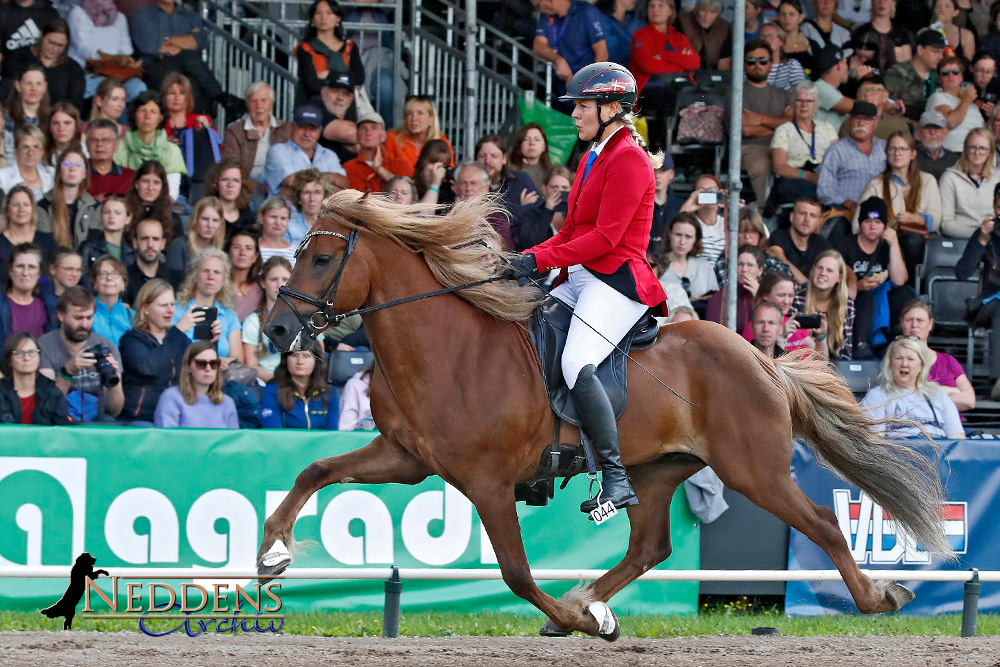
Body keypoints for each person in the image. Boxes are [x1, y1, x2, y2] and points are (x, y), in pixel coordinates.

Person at [502, 63, 666, 513]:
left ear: (612, 108)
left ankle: (615, 477)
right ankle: (538, 460)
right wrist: (523, 258)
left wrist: (537, 259)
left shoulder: (629, 158)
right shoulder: (594, 154)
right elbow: (572, 229)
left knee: (576, 360)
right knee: (530, 334)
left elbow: (605, 239)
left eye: (581, 106)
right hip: (581, 276)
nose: (573, 115)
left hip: (616, 280)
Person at [855, 131, 941, 280]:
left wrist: (917, 219)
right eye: (892, 149)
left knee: (911, 241)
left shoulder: (927, 181)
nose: (897, 153)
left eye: (902, 149)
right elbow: (856, 225)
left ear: (913, 154)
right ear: (886, 153)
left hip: (919, 245)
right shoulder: (876, 184)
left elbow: (937, 221)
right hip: (884, 245)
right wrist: (886, 229)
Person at [836, 197, 911, 357]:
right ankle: (861, 345)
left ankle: (893, 342)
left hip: (882, 297)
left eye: (878, 222)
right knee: (866, 297)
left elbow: (899, 280)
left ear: (884, 225)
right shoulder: (846, 244)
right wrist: (857, 285)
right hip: (855, 296)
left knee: (905, 293)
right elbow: (835, 273)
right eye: (868, 221)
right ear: (860, 223)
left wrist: (894, 243)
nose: (872, 226)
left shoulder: (887, 246)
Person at [37, 285, 123, 422]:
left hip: (97, 420)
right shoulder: (43, 346)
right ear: (61, 315)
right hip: (58, 420)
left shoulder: (107, 346)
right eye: (78, 318)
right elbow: (47, 406)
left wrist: (115, 381)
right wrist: (68, 371)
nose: (84, 324)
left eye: (89, 318)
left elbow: (114, 410)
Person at [128, 0, 227, 115]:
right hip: (156, 64)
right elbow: (150, 47)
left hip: (184, 65)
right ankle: (222, 98)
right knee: (187, 68)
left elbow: (201, 41)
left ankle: (194, 128)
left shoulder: (189, 15)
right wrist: (184, 44)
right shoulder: (142, 14)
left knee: (193, 84)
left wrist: (167, 40)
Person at [860, 337, 965, 439]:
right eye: (899, 358)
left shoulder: (938, 395)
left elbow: (957, 437)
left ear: (921, 365)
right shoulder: (877, 396)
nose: (904, 364)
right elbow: (875, 441)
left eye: (911, 359)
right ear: (890, 363)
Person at [118, 278, 190, 423]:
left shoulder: (180, 339)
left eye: (172, 304)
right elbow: (148, 367)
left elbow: (199, 370)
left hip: (177, 416)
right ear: (145, 309)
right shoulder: (131, 340)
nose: (170, 310)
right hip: (143, 418)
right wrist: (178, 332)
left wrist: (212, 342)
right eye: (163, 305)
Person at [769, 81, 839, 209]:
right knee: (818, 193)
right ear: (793, 105)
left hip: (824, 177)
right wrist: (808, 176)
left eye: (809, 101)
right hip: (795, 179)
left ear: (816, 105)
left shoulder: (828, 128)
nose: (804, 105)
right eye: (799, 101)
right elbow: (779, 167)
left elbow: (838, 160)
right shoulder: (784, 130)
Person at [957, 183, 1000, 390]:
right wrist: (982, 239)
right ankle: (997, 381)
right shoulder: (986, 233)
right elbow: (962, 273)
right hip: (988, 303)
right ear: (994, 205)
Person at [741, 38, 793, 205]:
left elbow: (793, 125)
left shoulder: (783, 94)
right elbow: (745, 130)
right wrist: (780, 124)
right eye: (751, 61)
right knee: (763, 166)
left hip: (784, 145)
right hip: (751, 147)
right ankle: (766, 213)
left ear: (771, 64)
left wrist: (760, 120)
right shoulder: (736, 92)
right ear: (744, 65)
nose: (757, 65)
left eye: (763, 61)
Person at [899, 300, 976, 412]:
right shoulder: (896, 360)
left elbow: (969, 400)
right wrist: (945, 391)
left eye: (920, 320)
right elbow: (900, 399)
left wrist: (924, 398)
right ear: (902, 323)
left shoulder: (948, 361)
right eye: (909, 320)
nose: (914, 325)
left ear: (930, 324)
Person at [172, 247, 243, 367]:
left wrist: (218, 361)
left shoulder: (229, 316)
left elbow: (238, 359)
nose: (211, 277)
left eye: (217, 272)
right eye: (205, 271)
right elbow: (168, 352)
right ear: (195, 275)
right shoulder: (176, 310)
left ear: (223, 279)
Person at [67, 0, 146, 103]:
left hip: (117, 73)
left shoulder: (119, 17)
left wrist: (129, 61)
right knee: (111, 91)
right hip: (89, 72)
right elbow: (86, 50)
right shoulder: (78, 13)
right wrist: (114, 59)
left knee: (138, 88)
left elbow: (126, 49)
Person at [262, 104, 347, 198]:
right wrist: (333, 178)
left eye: (312, 129)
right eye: (302, 127)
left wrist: (300, 186)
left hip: (324, 212)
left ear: (319, 132)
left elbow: (343, 184)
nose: (307, 134)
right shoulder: (277, 151)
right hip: (288, 212)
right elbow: (291, 181)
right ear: (292, 127)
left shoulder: (330, 155)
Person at [113, 92, 187, 199]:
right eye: (143, 110)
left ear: (160, 118)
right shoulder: (118, 147)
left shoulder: (172, 150)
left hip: (161, 206)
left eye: (153, 112)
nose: (147, 116)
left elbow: (171, 194)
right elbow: (116, 185)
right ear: (134, 114)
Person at [817, 102, 886, 214]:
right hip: (846, 212)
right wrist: (845, 202)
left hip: (881, 214)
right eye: (856, 118)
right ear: (850, 121)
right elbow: (824, 188)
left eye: (867, 119)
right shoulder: (836, 150)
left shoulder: (886, 148)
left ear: (875, 124)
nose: (861, 123)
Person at [294, 0, 365, 108]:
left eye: (328, 13)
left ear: (338, 18)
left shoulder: (349, 46)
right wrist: (343, 78)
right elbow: (312, 85)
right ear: (312, 19)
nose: (323, 17)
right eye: (318, 13)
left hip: (344, 107)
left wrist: (328, 75)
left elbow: (359, 78)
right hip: (313, 106)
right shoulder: (305, 48)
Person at [153, 340, 238, 428]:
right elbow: (166, 438)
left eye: (214, 364)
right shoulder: (171, 397)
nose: (208, 369)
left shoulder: (227, 402)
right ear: (188, 367)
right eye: (201, 363)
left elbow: (233, 441)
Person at [533, 0, 610, 97]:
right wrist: (559, 61)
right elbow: (538, 46)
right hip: (559, 87)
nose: (537, 10)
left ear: (551, 1)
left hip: (586, 88)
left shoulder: (586, 11)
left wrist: (590, 82)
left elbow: (602, 52)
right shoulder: (547, 15)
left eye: (538, 6)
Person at [3, 18, 84, 110]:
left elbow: (75, 105)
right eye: (51, 42)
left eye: (60, 45)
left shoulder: (73, 69)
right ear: (42, 36)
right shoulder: (18, 57)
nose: (54, 49)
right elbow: (6, 90)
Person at [791, 249, 855, 360]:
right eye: (819, 268)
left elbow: (846, 350)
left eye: (829, 270)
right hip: (800, 364)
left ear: (839, 278)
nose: (823, 273)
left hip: (835, 367)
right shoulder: (797, 299)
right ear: (813, 270)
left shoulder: (847, 305)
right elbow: (791, 343)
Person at [222, 81, 291, 183]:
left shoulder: (284, 128)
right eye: (254, 101)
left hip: (280, 185)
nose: (259, 106)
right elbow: (232, 166)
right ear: (247, 104)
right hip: (247, 188)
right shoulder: (235, 132)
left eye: (264, 100)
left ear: (271, 104)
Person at [628, 0, 700, 97]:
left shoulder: (678, 37)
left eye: (660, 5)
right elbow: (648, 65)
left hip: (679, 89)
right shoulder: (640, 35)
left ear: (670, 11)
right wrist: (683, 65)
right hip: (649, 92)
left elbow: (695, 63)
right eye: (651, 6)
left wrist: (665, 56)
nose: (655, 9)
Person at [940, 128, 1000, 238]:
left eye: (982, 148)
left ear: (990, 151)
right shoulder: (949, 178)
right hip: (961, 239)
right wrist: (981, 233)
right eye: (972, 147)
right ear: (965, 149)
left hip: (995, 240)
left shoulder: (998, 177)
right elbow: (946, 224)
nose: (977, 152)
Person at [35, 147, 100, 248]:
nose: (72, 169)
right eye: (66, 164)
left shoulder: (94, 207)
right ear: (59, 171)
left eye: (78, 165)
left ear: (85, 174)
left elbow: (94, 247)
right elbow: (45, 247)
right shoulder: (43, 206)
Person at [0, 331, 68, 424]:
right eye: (19, 353)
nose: (26, 358)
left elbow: (63, 431)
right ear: (9, 360)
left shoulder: (53, 393)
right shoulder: (1, 392)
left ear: (39, 357)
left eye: (32, 352)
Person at [260, 349, 337, 429]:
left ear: (316, 361)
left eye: (306, 356)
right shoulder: (273, 390)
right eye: (294, 355)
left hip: (321, 442)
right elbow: (273, 433)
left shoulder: (329, 392)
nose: (300, 361)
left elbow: (332, 434)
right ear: (286, 359)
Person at [242, 256, 290, 384]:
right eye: (273, 279)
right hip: (265, 383)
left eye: (285, 279)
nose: (280, 285)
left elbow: (319, 357)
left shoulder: (304, 319)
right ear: (263, 283)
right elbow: (251, 366)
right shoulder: (253, 322)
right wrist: (277, 383)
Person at [885, 29, 946, 126]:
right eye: (935, 52)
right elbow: (888, 109)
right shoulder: (898, 72)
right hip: (901, 128)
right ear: (920, 50)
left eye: (942, 53)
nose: (940, 57)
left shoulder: (940, 75)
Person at [658, 213, 718, 311]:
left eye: (688, 237)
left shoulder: (704, 267)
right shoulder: (656, 266)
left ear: (696, 239)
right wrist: (689, 301)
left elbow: (715, 301)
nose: (682, 241)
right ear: (670, 234)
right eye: (678, 235)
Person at [382, 97, 453, 179]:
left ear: (431, 119)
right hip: (399, 189)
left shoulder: (441, 141)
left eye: (420, 113)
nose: (414, 118)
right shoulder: (393, 138)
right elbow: (387, 169)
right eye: (409, 114)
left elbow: (448, 174)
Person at [475, 134, 539, 223]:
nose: (487, 161)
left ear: (504, 158)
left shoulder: (520, 180)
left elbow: (537, 212)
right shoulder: (468, 185)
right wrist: (521, 209)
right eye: (482, 156)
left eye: (494, 156)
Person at [767, 197, 832, 284]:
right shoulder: (779, 236)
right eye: (802, 213)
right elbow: (779, 257)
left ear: (818, 222)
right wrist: (808, 287)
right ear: (792, 217)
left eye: (812, 215)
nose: (807, 219)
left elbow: (839, 264)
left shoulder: (820, 242)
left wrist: (852, 283)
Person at [0, 243, 55, 343]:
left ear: (39, 273)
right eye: (20, 266)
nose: (25, 273)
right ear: (10, 271)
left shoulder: (49, 306)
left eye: (32, 267)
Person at [453, 162, 515, 251]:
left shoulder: (497, 221)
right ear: (456, 187)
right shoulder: (448, 219)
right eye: (463, 183)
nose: (468, 188)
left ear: (485, 188)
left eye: (473, 183)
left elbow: (507, 255)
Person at [927, 56, 984, 154]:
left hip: (979, 153)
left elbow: (984, 129)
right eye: (945, 73)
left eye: (955, 72)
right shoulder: (937, 97)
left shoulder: (971, 104)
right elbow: (949, 122)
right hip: (954, 154)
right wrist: (966, 101)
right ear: (940, 79)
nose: (950, 75)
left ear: (961, 77)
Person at [0, 186, 56, 282]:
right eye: (15, 204)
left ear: (33, 210)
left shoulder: (48, 241)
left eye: (26, 204)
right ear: (7, 210)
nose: (21, 209)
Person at [124, 218, 183, 306]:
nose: (150, 244)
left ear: (163, 243)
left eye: (155, 239)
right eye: (144, 238)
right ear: (135, 242)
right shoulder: (123, 279)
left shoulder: (177, 279)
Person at [706, 245, 765, 329]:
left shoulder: (768, 296)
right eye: (740, 264)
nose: (744, 269)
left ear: (760, 270)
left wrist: (759, 298)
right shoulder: (719, 299)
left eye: (750, 265)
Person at [516, 165, 572, 251]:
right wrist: (547, 210)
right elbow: (532, 244)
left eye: (565, 188)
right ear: (544, 189)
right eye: (554, 187)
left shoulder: (576, 213)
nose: (559, 192)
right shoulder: (532, 213)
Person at [125, 160, 183, 242]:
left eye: (156, 182)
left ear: (162, 187)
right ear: (136, 184)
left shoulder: (173, 219)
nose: (150, 187)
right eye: (145, 181)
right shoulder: (123, 213)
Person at [2, 65, 50, 163]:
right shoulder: (5, 118)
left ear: (45, 87)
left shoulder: (53, 118)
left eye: (38, 84)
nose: (34, 88)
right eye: (29, 83)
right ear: (18, 86)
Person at [165, 196, 225, 274]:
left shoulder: (221, 252)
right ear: (195, 219)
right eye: (205, 219)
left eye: (215, 220)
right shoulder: (179, 245)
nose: (210, 225)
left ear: (220, 223)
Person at [676, 173, 727, 265]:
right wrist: (685, 209)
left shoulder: (727, 222)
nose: (708, 194)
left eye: (713, 191)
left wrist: (732, 206)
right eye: (702, 191)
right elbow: (672, 237)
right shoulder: (690, 224)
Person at [853, 0, 915, 74]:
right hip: (869, 82)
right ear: (872, 2)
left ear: (893, 3)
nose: (882, 3)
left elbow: (908, 70)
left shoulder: (903, 34)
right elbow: (853, 68)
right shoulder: (861, 32)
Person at [743, 270, 801, 344]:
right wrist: (782, 337)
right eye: (781, 295)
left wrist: (820, 336)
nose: (787, 301)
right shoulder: (757, 327)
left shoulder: (793, 322)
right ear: (765, 295)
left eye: (790, 296)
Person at [78, 194, 134, 273]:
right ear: (101, 216)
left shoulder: (132, 251)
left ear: (128, 218)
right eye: (106, 212)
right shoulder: (88, 247)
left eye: (117, 213)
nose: (111, 216)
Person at [343, 111, 396, 193]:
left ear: (383, 136)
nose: (368, 133)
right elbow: (357, 201)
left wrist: (379, 169)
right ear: (357, 136)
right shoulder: (348, 168)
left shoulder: (399, 164)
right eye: (363, 128)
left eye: (374, 128)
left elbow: (407, 192)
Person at [85, 118, 135, 200]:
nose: (99, 144)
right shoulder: (76, 174)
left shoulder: (130, 177)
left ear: (116, 145)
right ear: (87, 145)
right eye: (94, 140)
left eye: (106, 140)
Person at [0, 127, 54, 201]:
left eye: (36, 147)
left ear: (42, 151)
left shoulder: (51, 176)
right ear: (15, 150)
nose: (31, 153)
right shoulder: (2, 178)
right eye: (25, 147)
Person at [676, 0, 733, 71]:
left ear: (718, 14)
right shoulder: (682, 23)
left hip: (712, 75)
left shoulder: (724, 28)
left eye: (713, 12)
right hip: (685, 73)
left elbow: (724, 66)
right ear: (697, 9)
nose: (706, 17)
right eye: (703, 10)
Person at [204, 159, 256, 235]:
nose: (230, 185)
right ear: (215, 183)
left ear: (242, 185)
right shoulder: (205, 213)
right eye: (225, 180)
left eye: (236, 180)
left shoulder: (248, 217)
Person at [286, 169, 334, 247]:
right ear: (298, 197)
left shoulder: (333, 226)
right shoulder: (287, 227)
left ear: (325, 196)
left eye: (317, 192)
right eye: (306, 192)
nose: (312, 199)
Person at [89, 255, 132, 345]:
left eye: (115, 274)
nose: (109, 278)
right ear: (94, 283)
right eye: (103, 274)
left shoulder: (133, 317)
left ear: (123, 283)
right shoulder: (85, 314)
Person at [160, 72, 211, 140]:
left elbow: (215, 148)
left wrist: (206, 131)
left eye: (182, 93)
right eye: (172, 93)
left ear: (188, 98)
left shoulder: (201, 122)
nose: (177, 98)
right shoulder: (157, 124)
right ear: (164, 97)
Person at [228, 230, 263, 322]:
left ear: (255, 257)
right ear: (228, 253)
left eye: (248, 248)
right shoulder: (218, 285)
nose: (242, 252)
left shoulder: (263, 286)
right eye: (236, 247)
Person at [508, 123, 554, 191]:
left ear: (544, 146)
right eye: (526, 139)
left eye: (537, 139)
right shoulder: (509, 170)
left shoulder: (552, 173)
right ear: (519, 145)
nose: (532, 143)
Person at [761, 22, 806, 91]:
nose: (766, 40)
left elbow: (801, 91)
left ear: (781, 40)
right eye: (763, 37)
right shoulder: (751, 65)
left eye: (771, 36)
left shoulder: (792, 66)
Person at [916, 109, 959, 181]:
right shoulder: (910, 157)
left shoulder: (955, 160)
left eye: (937, 128)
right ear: (919, 132)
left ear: (945, 133)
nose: (932, 132)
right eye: (927, 127)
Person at [412, 139, 454, 205]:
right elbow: (423, 213)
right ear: (423, 161)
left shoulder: (449, 189)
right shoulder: (410, 187)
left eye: (443, 164)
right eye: (433, 162)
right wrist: (435, 184)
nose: (436, 169)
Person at [257, 196, 297, 265]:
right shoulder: (252, 248)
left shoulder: (296, 252)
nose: (278, 223)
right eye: (273, 217)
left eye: (283, 218)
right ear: (261, 217)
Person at [773, 0, 813, 70]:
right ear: (778, 17)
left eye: (791, 14)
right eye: (783, 14)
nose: (787, 18)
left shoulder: (812, 44)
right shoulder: (773, 44)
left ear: (800, 17)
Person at [43, 101, 82, 168]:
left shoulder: (86, 152)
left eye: (67, 123)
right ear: (50, 127)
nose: (61, 128)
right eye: (56, 123)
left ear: (76, 126)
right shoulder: (40, 154)